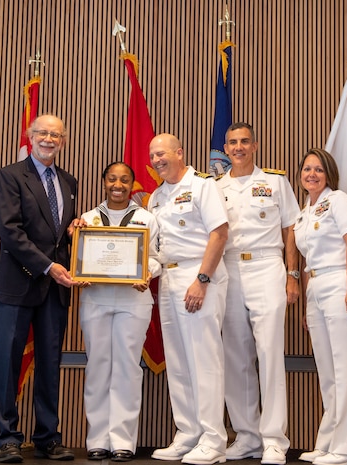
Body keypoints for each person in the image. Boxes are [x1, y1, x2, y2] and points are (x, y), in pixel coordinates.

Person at [0, 114, 86, 463]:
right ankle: (6, 438)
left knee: (50, 364)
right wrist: (48, 266)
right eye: (43, 133)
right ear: (30, 137)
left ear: (64, 141)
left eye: (56, 135)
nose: (49, 139)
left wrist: (77, 231)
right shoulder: (10, 176)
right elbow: (11, 231)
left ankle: (47, 437)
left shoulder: (69, 181)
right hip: (19, 284)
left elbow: (59, 233)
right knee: (7, 362)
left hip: (55, 291)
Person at [218, 123, 300, 465]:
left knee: (269, 353)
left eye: (244, 142)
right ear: (225, 148)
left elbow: (291, 228)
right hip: (229, 270)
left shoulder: (276, 181)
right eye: (233, 142)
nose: (238, 147)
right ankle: (247, 436)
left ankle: (274, 439)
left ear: (255, 145)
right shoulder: (215, 186)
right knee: (235, 358)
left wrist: (293, 274)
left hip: (268, 266)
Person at [147, 133, 229, 465]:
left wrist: (202, 279)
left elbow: (220, 233)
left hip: (199, 276)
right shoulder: (155, 197)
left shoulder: (203, 186)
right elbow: (153, 248)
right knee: (179, 362)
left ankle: (214, 439)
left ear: (180, 153)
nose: (156, 160)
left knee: (204, 360)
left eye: (162, 153)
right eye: (152, 156)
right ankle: (188, 433)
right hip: (167, 278)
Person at [77, 162, 161, 462]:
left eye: (125, 180)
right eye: (112, 179)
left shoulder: (146, 218)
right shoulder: (86, 219)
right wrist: (80, 270)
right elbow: (77, 256)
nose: (118, 185)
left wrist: (146, 273)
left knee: (127, 367)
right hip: (95, 299)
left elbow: (157, 257)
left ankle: (123, 440)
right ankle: (97, 438)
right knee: (98, 366)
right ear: (103, 182)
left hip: (133, 301)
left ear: (132, 184)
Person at [292, 149, 347, 465]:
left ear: (329, 174)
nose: (312, 174)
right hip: (317, 290)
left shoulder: (339, 200)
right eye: (307, 169)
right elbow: (308, 262)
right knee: (328, 371)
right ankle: (329, 441)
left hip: (342, 284)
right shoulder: (304, 212)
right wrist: (308, 306)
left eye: (318, 169)